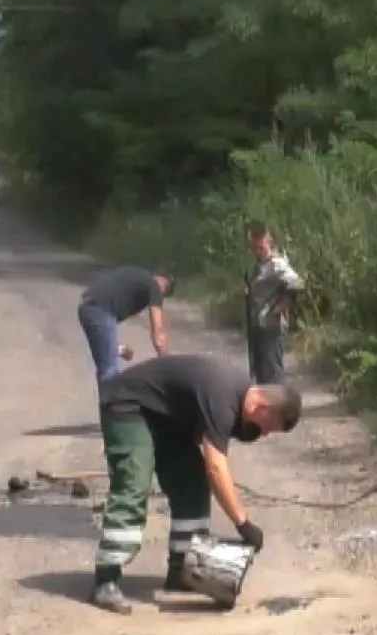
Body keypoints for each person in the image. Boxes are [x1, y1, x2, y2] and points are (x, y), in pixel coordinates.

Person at [89, 353, 303, 615]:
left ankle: (181, 570)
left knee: (192, 485)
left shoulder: (238, 398)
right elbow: (216, 466)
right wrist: (242, 523)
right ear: (259, 406)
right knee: (134, 485)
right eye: (268, 426)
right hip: (129, 407)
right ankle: (106, 579)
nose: (265, 433)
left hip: (167, 422)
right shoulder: (222, 396)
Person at [77, 265, 173, 384]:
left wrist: (119, 349)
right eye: (164, 294)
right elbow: (157, 331)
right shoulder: (154, 286)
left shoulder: (135, 274)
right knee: (110, 372)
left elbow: (102, 337)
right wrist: (168, 363)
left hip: (86, 308)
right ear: (164, 285)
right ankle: (111, 402)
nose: (160, 296)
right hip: (100, 309)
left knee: (107, 358)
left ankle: (110, 398)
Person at [242, 222, 304, 385]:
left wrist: (280, 307)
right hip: (257, 326)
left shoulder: (277, 264)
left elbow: (296, 283)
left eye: (259, 247)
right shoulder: (259, 265)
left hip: (270, 326)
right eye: (253, 248)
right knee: (260, 372)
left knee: (272, 373)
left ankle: (278, 408)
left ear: (267, 242)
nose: (256, 251)